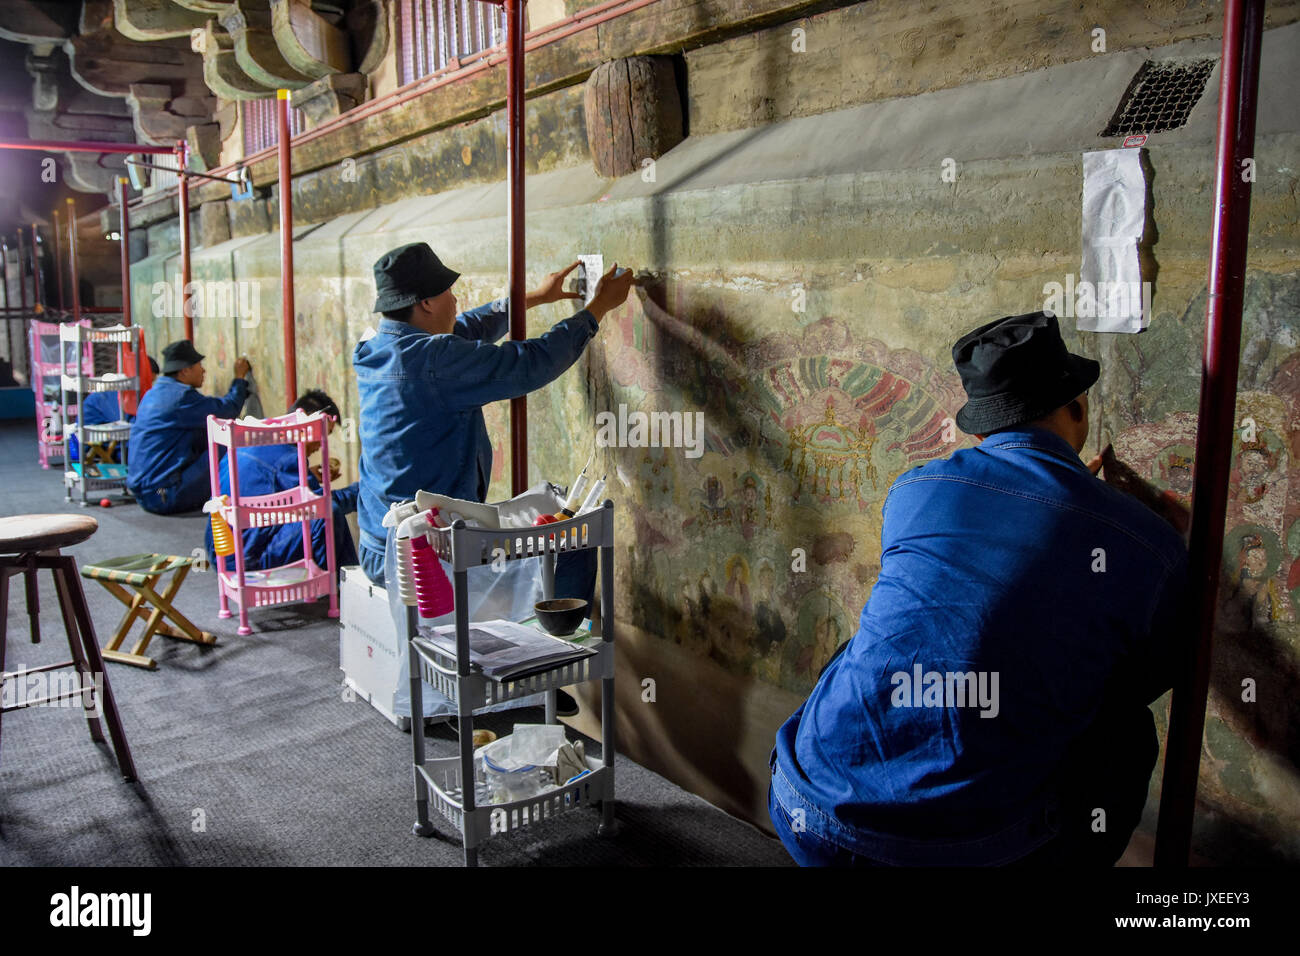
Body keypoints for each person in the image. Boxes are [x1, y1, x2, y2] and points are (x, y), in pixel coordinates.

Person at [769, 311, 1189, 866]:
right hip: (947, 853)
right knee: (1125, 726)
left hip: (808, 805)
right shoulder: (1143, 539)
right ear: (1079, 408)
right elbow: (1154, 671)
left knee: (879, 644)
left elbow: (986, 548)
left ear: (982, 430)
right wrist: (1138, 533)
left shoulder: (913, 489)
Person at [353, 242, 634, 584]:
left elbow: (463, 329)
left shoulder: (376, 349)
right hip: (418, 556)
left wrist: (532, 298)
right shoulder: (432, 361)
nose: (455, 302)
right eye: (448, 293)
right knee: (569, 547)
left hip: (375, 545)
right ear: (425, 303)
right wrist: (597, 309)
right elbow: (529, 363)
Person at [205, 389, 359, 574]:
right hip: (246, 559)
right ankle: (345, 583)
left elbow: (260, 482)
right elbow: (320, 506)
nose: (320, 445)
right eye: (322, 435)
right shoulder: (290, 460)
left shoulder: (248, 442)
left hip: (221, 551)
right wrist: (364, 490)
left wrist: (306, 475)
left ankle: (345, 582)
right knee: (329, 511)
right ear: (306, 427)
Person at [127, 340, 251, 515]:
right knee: (228, 442)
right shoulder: (180, 398)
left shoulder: (154, 393)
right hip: (163, 496)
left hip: (145, 494)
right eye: (199, 365)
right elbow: (228, 410)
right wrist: (239, 378)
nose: (203, 370)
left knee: (204, 436)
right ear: (185, 371)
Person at [68, 357, 159, 464]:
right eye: (148, 382)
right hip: (94, 445)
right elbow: (133, 424)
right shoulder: (116, 395)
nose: (149, 387)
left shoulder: (126, 394)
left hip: (109, 441)